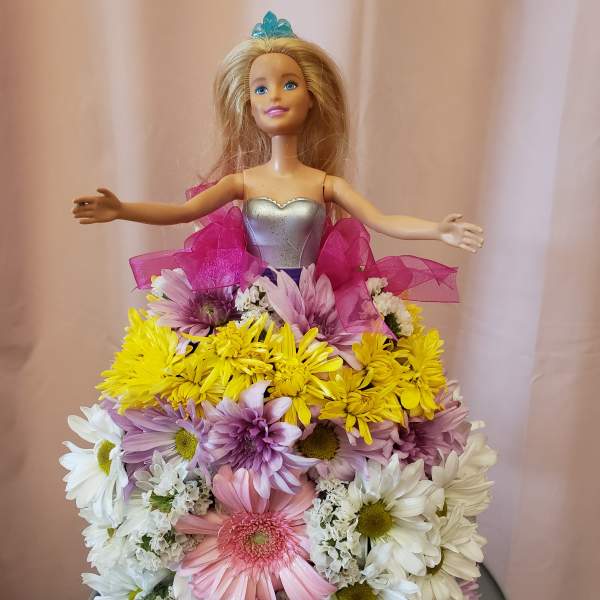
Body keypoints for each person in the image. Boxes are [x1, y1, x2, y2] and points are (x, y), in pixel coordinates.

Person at [65, 13, 494, 600]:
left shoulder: (323, 182)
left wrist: (437, 229)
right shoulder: (243, 181)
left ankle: (321, 543)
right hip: (252, 317)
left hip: (318, 315)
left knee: (328, 416)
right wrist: (122, 210)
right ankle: (236, 531)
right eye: (261, 87)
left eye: (289, 83)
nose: (275, 96)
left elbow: (383, 220)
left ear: (312, 97)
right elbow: (180, 213)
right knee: (238, 413)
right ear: (247, 103)